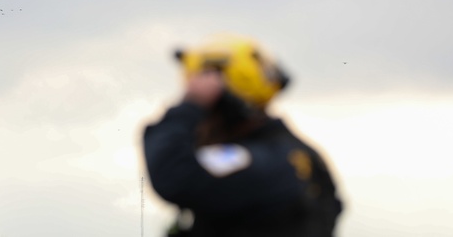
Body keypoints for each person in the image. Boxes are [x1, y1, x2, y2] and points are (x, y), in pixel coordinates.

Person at [143, 34, 342, 237]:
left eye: (205, 110)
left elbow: (174, 178)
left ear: (224, 106)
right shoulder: (303, 158)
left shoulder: (256, 161)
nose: (198, 126)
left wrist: (189, 106)